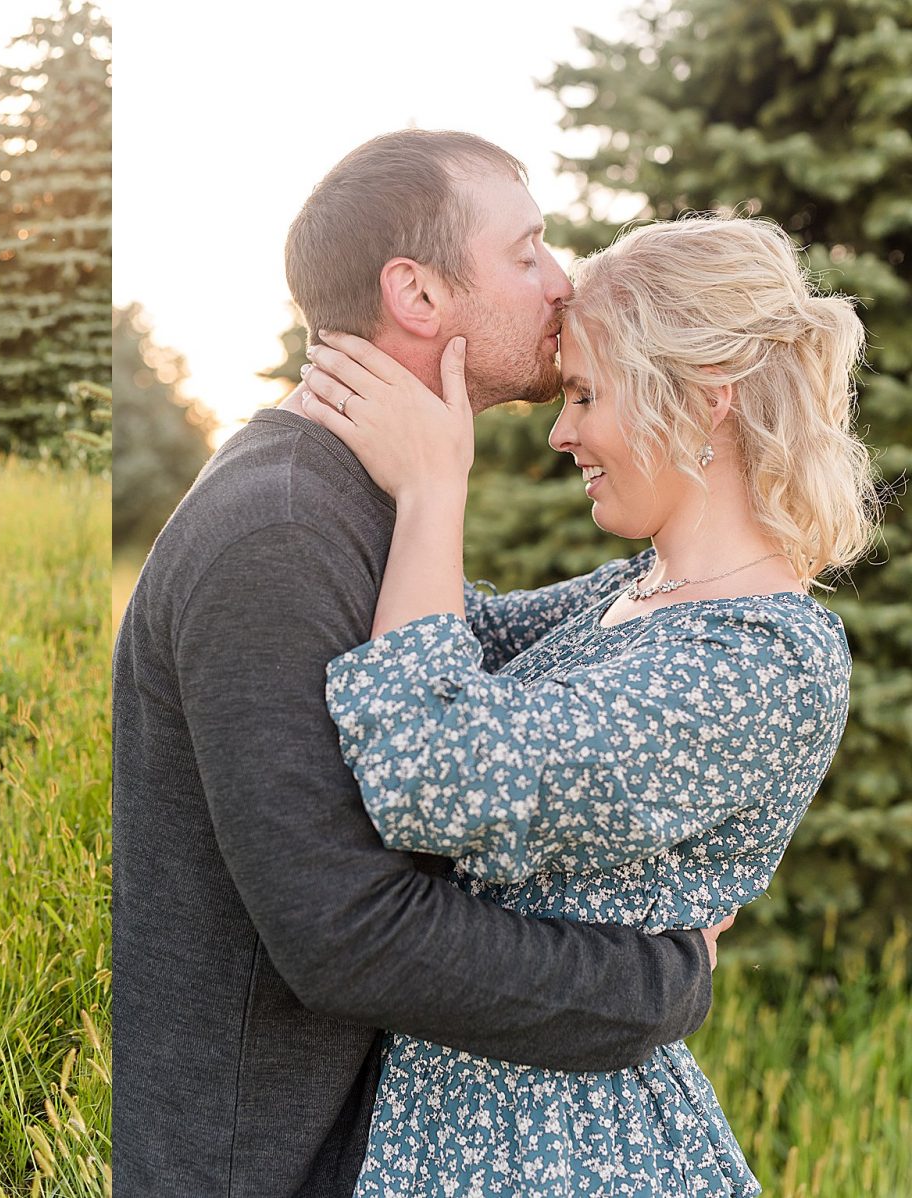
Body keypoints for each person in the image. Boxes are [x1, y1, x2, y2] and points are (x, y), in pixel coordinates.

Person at [112, 129, 730, 1197]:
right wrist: (664, 979)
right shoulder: (279, 531)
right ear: (417, 292)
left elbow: (507, 650)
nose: (561, 282)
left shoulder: (361, 501)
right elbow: (346, 934)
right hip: (270, 1159)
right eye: (527, 251)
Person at [297, 214, 874, 1196]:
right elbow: (450, 629)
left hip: (560, 1147)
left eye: (585, 394)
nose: (562, 430)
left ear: (701, 402)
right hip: (451, 1110)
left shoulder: (765, 656)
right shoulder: (641, 588)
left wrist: (436, 489)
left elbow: (435, 776)